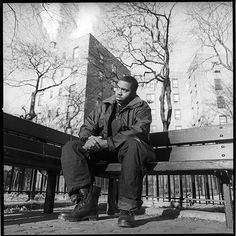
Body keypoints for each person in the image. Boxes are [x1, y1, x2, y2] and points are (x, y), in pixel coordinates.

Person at [58, 75, 156, 227]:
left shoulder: (142, 107)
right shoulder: (105, 105)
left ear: (133, 92)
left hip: (130, 151)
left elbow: (139, 131)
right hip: (105, 151)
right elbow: (87, 127)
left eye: (124, 90)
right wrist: (89, 139)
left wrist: (107, 143)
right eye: (118, 88)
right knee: (71, 147)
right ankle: (86, 203)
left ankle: (126, 210)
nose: (119, 92)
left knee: (133, 145)